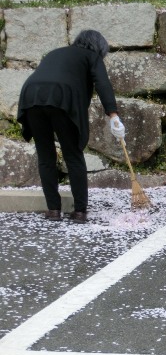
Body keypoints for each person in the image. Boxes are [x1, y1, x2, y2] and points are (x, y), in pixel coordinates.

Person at [17, 30, 126, 224]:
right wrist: (113, 115)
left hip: (31, 96)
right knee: (73, 154)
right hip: (61, 98)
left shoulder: (55, 52)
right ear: (99, 48)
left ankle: (53, 210)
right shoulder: (91, 56)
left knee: (45, 155)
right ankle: (80, 212)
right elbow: (102, 83)